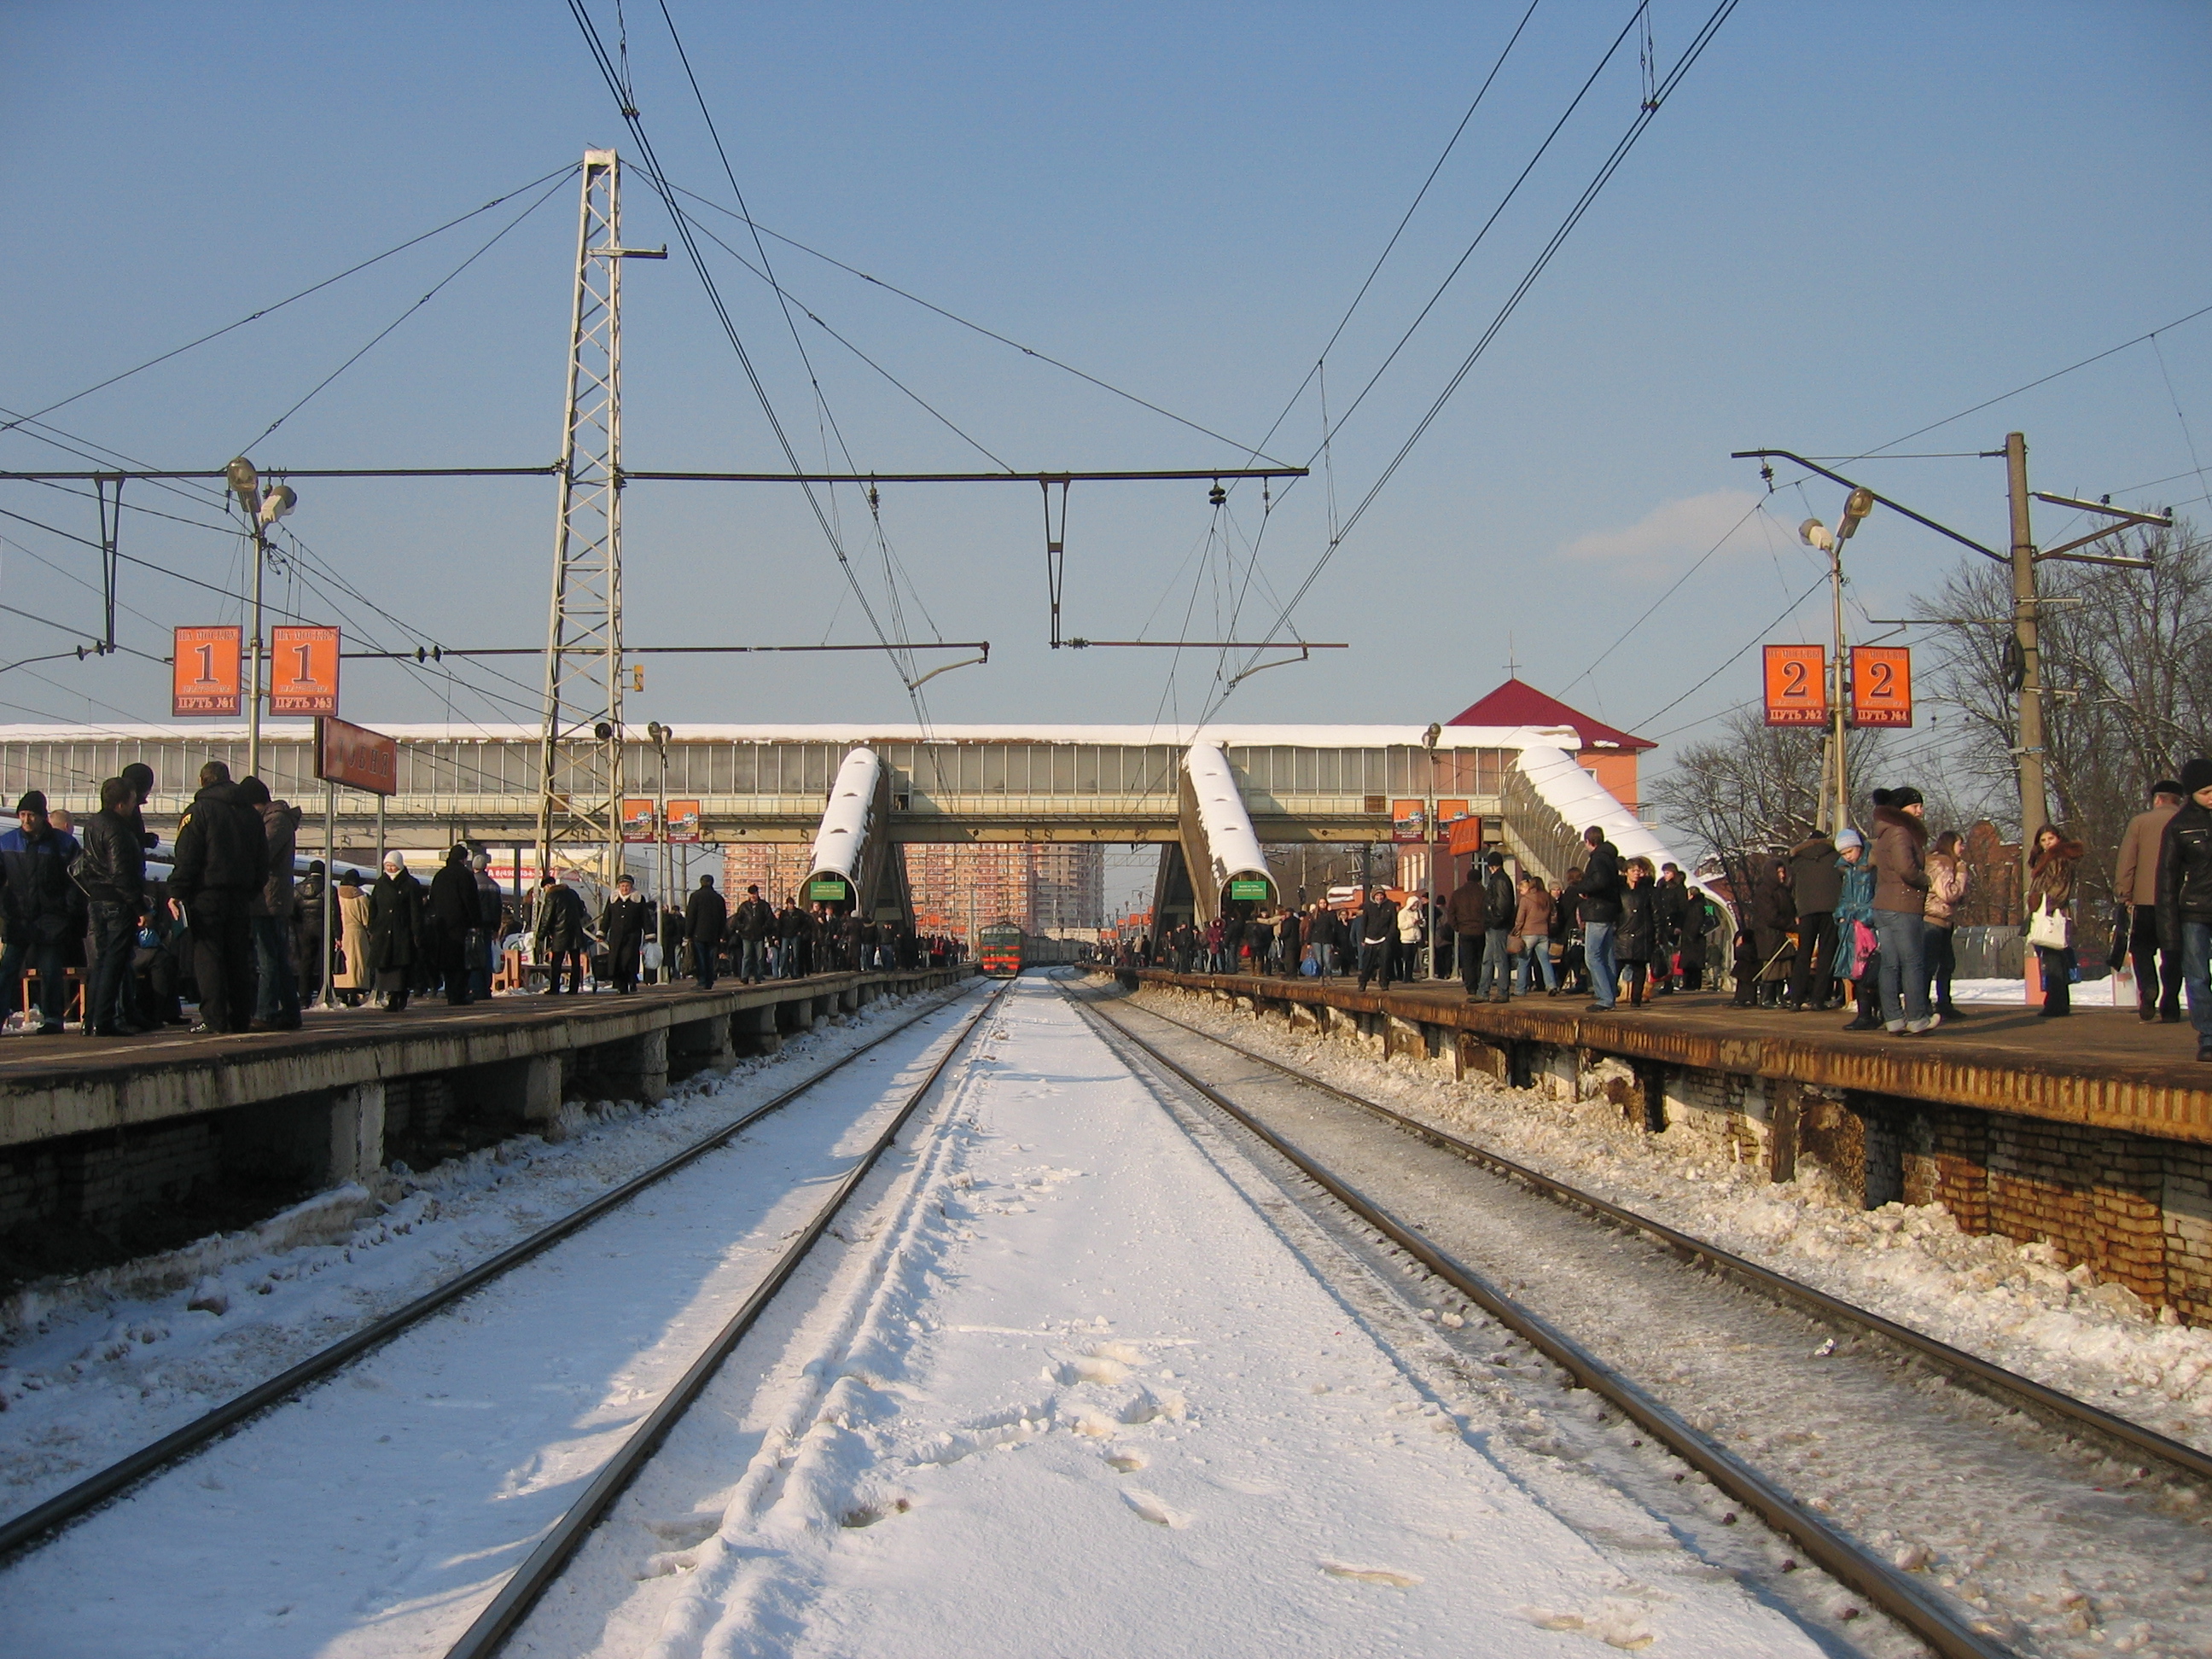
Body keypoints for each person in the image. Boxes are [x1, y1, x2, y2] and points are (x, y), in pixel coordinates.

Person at [168, 761, 268, 1034]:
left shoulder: (198, 812)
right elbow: (263, 860)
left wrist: (177, 891)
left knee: (208, 957)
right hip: (240, 897)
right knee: (238, 958)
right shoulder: (251, 814)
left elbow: (187, 856)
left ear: (203, 781)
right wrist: (252, 890)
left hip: (206, 895)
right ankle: (240, 1018)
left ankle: (215, 1019)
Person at [78, 777, 148, 1035]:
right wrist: (140, 906)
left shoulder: (93, 824)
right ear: (121, 803)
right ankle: (104, 1020)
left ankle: (91, 1019)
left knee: (101, 962)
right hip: (116, 901)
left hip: (96, 899)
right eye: (132, 800)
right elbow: (121, 873)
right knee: (114, 964)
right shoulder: (118, 829)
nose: (135, 805)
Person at [2155, 758, 2212, 1061]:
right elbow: (2167, 880)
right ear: (2192, 794)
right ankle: (2208, 1036)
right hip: (2194, 911)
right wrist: (2168, 933)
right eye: (2206, 792)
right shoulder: (2179, 826)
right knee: (2198, 975)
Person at [2116, 779, 2186, 1024]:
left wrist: (2124, 893)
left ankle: (2148, 988)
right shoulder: (2187, 822)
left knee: (2141, 948)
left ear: (2157, 799)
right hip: (2178, 902)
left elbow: (2128, 861)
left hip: (2144, 900)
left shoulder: (2139, 823)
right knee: (2173, 952)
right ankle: (2171, 1002)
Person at [236, 778, 302, 1030]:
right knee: (277, 959)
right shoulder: (275, 819)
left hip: (269, 897)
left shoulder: (276, 821)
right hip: (270, 896)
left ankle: (265, 1012)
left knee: (268, 959)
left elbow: (262, 853)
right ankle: (291, 1012)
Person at [1871, 786, 1936, 1033]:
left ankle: (1894, 1018)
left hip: (1884, 905)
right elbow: (1906, 870)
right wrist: (1925, 880)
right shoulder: (1901, 833)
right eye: (1915, 806)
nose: (1920, 811)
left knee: (1890, 964)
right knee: (1912, 962)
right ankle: (1917, 1017)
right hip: (1903, 904)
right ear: (1901, 809)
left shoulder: (1884, 833)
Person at [2024, 824, 2085, 1019]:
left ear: (2058, 839)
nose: (2047, 843)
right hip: (2050, 911)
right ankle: (2058, 1001)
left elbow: (2060, 887)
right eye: (2043, 840)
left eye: (2050, 839)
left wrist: (2043, 902)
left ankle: (2055, 1002)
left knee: (2053, 959)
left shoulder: (2059, 859)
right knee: (2054, 958)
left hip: (2052, 913)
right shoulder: (2046, 859)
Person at [1784, 831, 1843, 1012]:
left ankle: (1796, 999)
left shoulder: (1798, 859)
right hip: (1831, 909)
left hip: (1806, 911)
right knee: (1826, 955)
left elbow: (1790, 886)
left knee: (1803, 955)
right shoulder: (1836, 856)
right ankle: (1818, 999)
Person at [1833, 828, 1880, 1031]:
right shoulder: (1848, 872)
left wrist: (1866, 916)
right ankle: (1866, 1013)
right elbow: (1844, 897)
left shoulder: (1872, 869)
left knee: (1870, 968)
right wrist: (1841, 914)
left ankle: (1872, 1013)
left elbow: (1878, 896)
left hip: (1868, 926)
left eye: (1849, 852)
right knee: (1858, 970)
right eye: (1843, 854)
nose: (1847, 857)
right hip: (1852, 927)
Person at [369, 852, 427, 1010]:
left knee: (401, 966)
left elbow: (416, 911)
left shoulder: (410, 884)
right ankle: (390, 994)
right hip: (383, 931)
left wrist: (416, 932)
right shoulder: (381, 883)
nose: (390, 868)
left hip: (402, 931)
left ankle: (399, 995)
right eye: (387, 865)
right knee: (385, 966)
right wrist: (372, 927)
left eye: (392, 865)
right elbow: (373, 906)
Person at [1924, 830, 1970, 1021]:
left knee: (1946, 963)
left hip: (1942, 919)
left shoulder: (1939, 862)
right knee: (1932, 964)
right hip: (1933, 919)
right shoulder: (1941, 863)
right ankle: (1926, 1004)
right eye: (1960, 844)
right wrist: (1961, 875)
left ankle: (1942, 1003)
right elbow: (1948, 893)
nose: (1962, 848)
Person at [427, 845, 480, 1005]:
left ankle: (449, 992)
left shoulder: (440, 876)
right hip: (459, 924)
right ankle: (458, 995)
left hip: (441, 925)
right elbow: (471, 901)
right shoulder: (465, 875)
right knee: (460, 961)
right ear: (463, 859)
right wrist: (475, 922)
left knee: (446, 961)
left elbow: (432, 900)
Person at [1578, 826, 1623, 1011]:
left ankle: (1605, 997)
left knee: (1592, 956)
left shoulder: (1597, 859)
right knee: (1606, 955)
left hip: (1598, 911)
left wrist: (1584, 888)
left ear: (1589, 842)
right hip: (1610, 911)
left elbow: (1599, 882)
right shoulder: (1610, 858)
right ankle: (1610, 993)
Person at [533, 875, 590, 993]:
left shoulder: (552, 895)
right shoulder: (573, 893)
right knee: (575, 961)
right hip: (575, 931)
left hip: (560, 932)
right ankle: (573, 988)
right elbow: (581, 912)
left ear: (548, 886)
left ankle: (555, 988)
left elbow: (547, 916)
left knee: (557, 961)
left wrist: (541, 934)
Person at [597, 873, 651, 993]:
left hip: (632, 935)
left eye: (627, 886)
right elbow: (607, 917)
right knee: (616, 960)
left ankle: (631, 980)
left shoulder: (638, 899)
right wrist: (602, 932)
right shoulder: (613, 899)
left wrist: (649, 933)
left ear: (631, 886)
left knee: (628, 960)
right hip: (616, 936)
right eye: (622, 886)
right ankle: (621, 986)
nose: (624, 889)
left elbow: (645, 918)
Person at [1615, 856, 1657, 1007]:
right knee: (1616, 966)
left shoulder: (1648, 890)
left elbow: (1655, 912)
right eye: (1633, 870)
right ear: (1626, 872)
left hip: (1642, 932)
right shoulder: (1619, 890)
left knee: (1639, 968)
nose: (1636, 873)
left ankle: (1636, 999)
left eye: (1639, 871)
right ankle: (1609, 995)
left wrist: (1657, 934)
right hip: (1622, 932)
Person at [1476, 853, 1516, 1004]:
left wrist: (1494, 920)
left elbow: (1503, 905)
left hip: (1497, 926)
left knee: (1499, 959)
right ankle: (1483, 991)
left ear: (1490, 866)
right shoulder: (1499, 879)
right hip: (1494, 925)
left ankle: (1502, 992)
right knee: (1488, 959)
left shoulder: (1500, 880)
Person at [333, 869, 373, 1005]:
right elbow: (367, 919)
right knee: (357, 965)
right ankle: (354, 994)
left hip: (341, 934)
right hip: (357, 934)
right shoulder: (361, 897)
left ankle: (341, 993)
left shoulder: (336, 896)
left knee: (342, 964)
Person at [1447, 868, 1488, 998]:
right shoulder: (1483, 893)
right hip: (1480, 931)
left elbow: (1451, 913)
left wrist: (1457, 927)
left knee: (1468, 959)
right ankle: (1480, 983)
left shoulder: (1458, 894)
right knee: (1480, 959)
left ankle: (1470, 986)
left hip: (1464, 931)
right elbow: (1488, 912)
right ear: (1480, 879)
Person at [1514, 873, 1557, 994]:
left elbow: (1520, 918)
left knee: (1524, 961)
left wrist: (1517, 929)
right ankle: (1552, 985)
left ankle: (1520, 989)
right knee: (1545, 961)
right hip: (1543, 933)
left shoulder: (1526, 899)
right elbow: (1553, 915)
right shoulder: (1548, 898)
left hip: (1528, 933)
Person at [294, 859, 328, 1006]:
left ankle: (303, 997)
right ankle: (323, 992)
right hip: (323, 929)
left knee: (305, 963)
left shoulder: (298, 888)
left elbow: (293, 912)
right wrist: (337, 933)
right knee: (325, 963)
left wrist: (297, 928)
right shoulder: (327, 887)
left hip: (304, 930)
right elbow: (333, 912)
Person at [469, 853, 504, 998]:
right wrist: (496, 928)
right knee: (487, 956)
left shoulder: (472, 883)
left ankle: (476, 989)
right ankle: (487, 987)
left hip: (475, 925)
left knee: (474, 956)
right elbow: (498, 908)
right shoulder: (494, 885)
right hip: (490, 926)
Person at [1652, 863, 1689, 996]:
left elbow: (1682, 909)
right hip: (1661, 924)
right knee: (1659, 953)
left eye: (1668, 872)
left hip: (1672, 925)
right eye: (1664, 873)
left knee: (1669, 954)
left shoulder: (1679, 889)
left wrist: (1679, 926)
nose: (1665, 875)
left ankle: (1669, 982)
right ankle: (1659, 978)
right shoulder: (1660, 886)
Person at [686, 874, 727, 990]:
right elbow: (723, 918)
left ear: (701, 882)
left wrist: (688, 933)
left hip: (698, 933)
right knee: (710, 958)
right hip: (714, 934)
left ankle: (702, 981)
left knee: (700, 958)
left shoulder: (695, 896)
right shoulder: (718, 898)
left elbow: (691, 916)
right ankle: (709, 981)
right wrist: (722, 934)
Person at [1356, 884, 1397, 992]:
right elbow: (1364, 923)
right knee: (1367, 963)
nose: (1379, 897)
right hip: (1370, 938)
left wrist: (1388, 937)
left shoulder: (1390, 905)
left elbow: (1393, 923)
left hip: (1384, 938)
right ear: (1373, 896)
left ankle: (1384, 983)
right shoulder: (1368, 906)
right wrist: (1363, 938)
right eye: (1377, 895)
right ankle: (1363, 982)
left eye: (1381, 895)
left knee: (1385, 962)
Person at [732, 882, 772, 983]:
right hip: (747, 935)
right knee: (747, 956)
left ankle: (758, 976)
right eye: (751, 894)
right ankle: (744, 976)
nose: (753, 896)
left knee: (759, 957)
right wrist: (742, 928)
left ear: (757, 893)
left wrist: (764, 929)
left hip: (759, 935)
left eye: (754, 894)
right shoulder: (744, 906)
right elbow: (738, 919)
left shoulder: (764, 906)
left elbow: (769, 919)